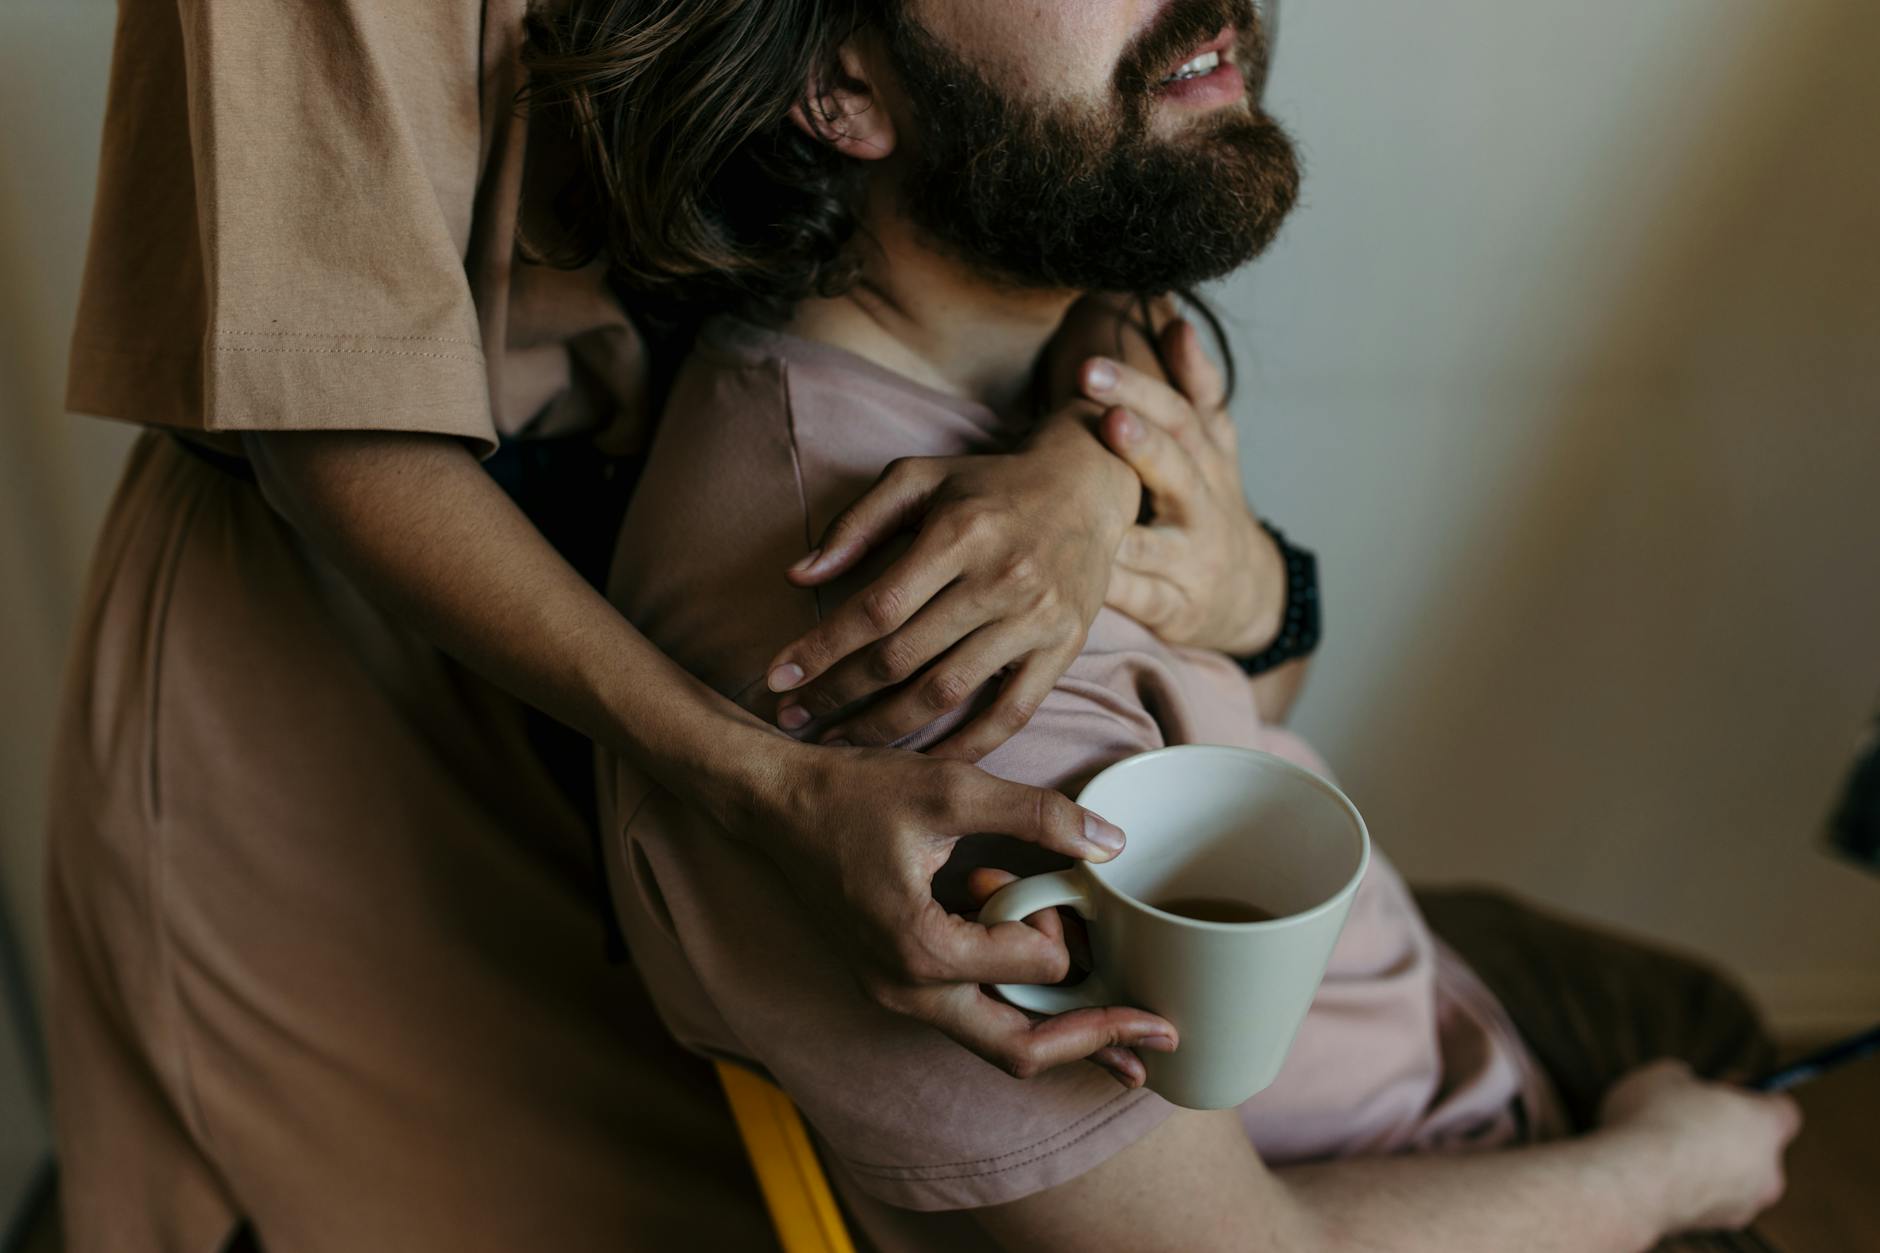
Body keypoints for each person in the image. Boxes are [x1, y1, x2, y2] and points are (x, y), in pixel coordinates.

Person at [540, 0, 1806, 1249]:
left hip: (1403, 1017)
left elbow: (1233, 718)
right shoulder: (922, 652)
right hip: (1413, 1171)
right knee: (1721, 1077)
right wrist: (1656, 1176)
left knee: (1693, 1005)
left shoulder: (1031, 358)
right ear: (843, 92)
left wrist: (1181, 536)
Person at [47, 1, 1295, 1249]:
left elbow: (1056, 149)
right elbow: (331, 429)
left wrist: (1084, 472)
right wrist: (759, 782)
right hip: (361, 644)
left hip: (701, 529)